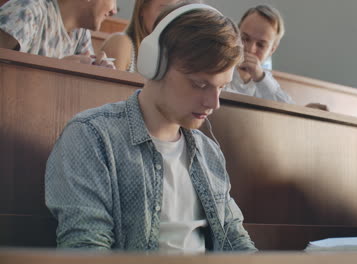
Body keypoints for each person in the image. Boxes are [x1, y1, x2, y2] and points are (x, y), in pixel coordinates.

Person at [45, 3, 257, 252]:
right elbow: (87, 249)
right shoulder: (91, 137)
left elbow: (236, 241)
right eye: (200, 85)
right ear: (154, 63)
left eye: (222, 87)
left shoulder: (208, 152)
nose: (214, 103)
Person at [0, 0, 116, 68]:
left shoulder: (81, 33)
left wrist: (100, 70)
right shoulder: (27, 11)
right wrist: (56, 69)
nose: (114, 10)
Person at [99, 0, 196, 72]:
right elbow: (111, 95)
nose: (170, 17)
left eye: (175, 11)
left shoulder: (171, 57)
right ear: (142, 9)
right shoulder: (121, 43)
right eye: (164, 9)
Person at [224, 4, 294, 104]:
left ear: (272, 50)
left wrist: (261, 78)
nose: (250, 49)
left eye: (261, 45)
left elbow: (288, 110)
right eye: (245, 38)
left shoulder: (267, 82)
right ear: (236, 34)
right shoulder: (218, 67)